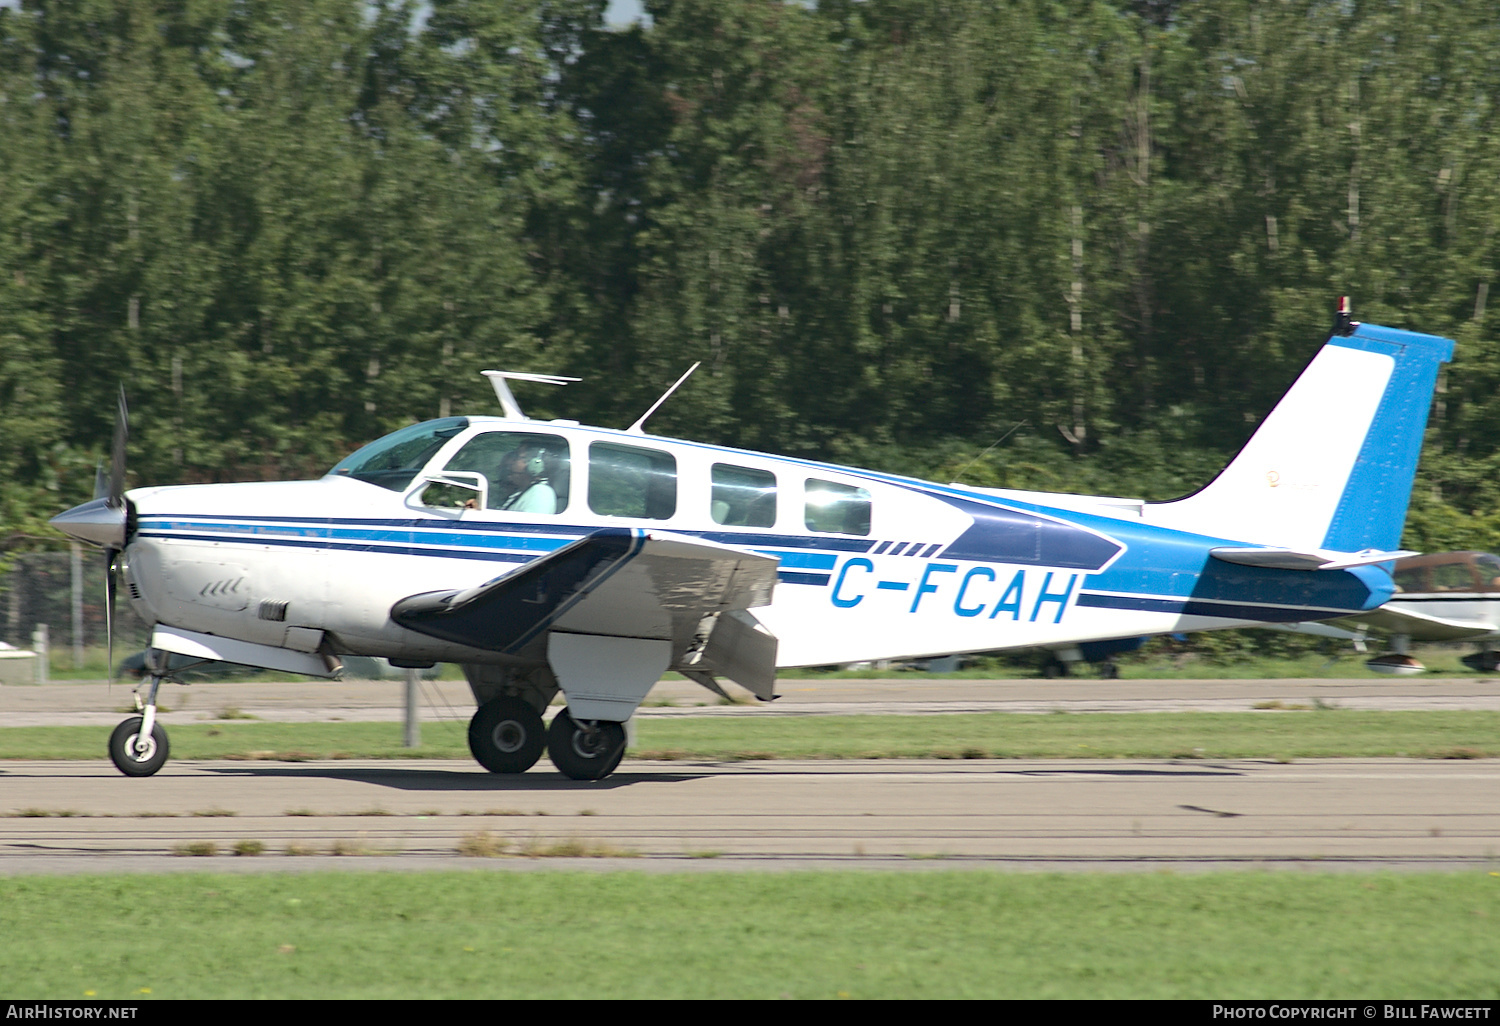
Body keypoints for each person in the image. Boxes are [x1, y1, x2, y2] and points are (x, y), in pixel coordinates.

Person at [495, 444, 557, 514]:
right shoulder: (525, 491)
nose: (512, 463)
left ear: (533, 464)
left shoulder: (540, 493)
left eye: (517, 458)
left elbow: (533, 524)